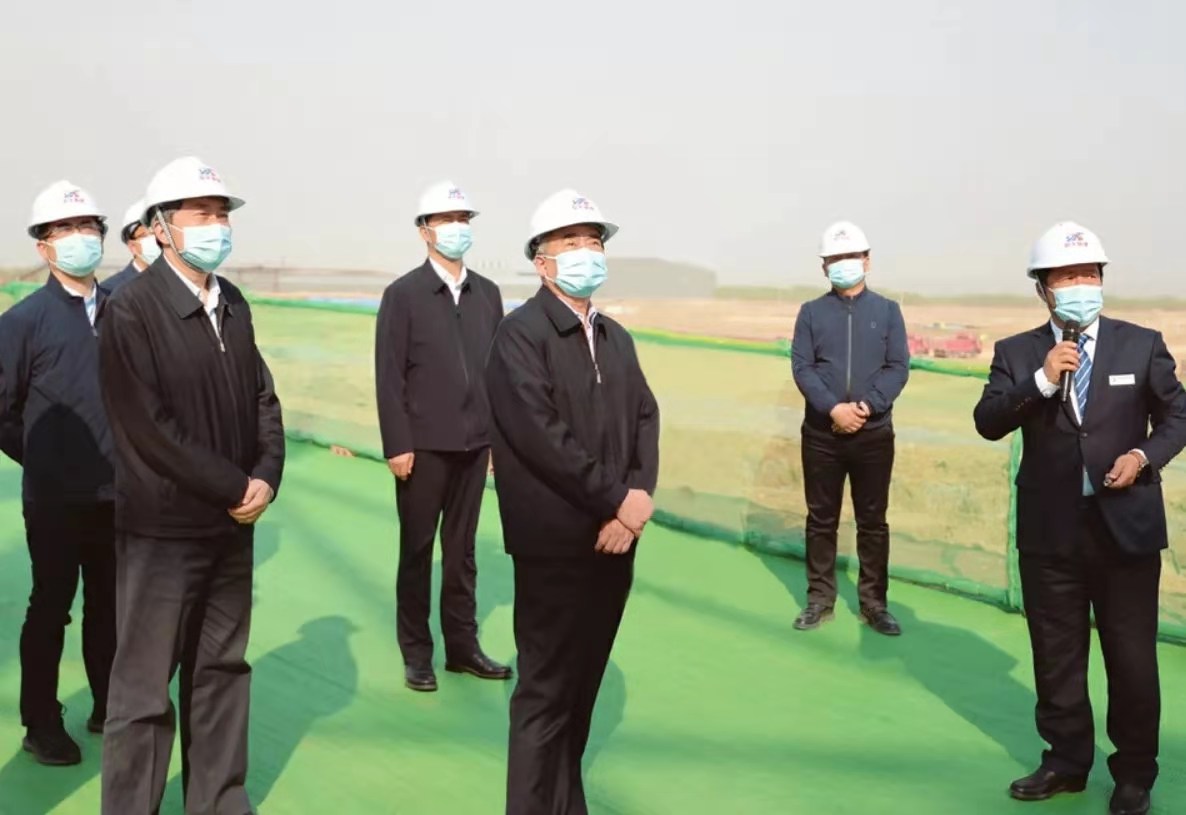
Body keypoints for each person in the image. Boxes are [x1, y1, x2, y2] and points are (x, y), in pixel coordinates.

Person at [973, 222, 1186, 815]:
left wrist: (1143, 456)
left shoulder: (1141, 344)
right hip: (1050, 532)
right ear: (1043, 289)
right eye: (1067, 277)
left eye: (1089, 275)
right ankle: (1066, 762)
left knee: (1132, 659)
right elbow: (988, 421)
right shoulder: (1017, 353)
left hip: (1126, 530)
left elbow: (1178, 416)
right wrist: (1042, 379)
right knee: (1056, 654)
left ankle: (1134, 773)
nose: (1080, 286)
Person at [97, 156, 285, 815]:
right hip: (163, 532)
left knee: (223, 671)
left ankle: (219, 800)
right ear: (161, 227)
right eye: (201, 213)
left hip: (231, 528)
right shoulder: (130, 311)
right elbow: (150, 427)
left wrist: (267, 475)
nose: (216, 225)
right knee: (145, 689)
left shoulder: (232, 302)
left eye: (222, 213)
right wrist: (236, 484)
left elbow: (263, 398)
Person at [486, 189, 660, 814]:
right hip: (554, 543)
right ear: (541, 262)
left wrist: (634, 501)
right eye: (572, 241)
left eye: (595, 241)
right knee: (546, 690)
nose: (587, 251)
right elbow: (542, 436)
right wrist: (615, 499)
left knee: (583, 686)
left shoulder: (615, 337)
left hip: (615, 540)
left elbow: (644, 419)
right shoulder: (520, 335)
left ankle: (566, 803)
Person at [374, 180, 511, 692]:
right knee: (417, 550)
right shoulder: (403, 294)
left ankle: (462, 648)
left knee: (462, 552)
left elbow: (498, 372)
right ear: (425, 230)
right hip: (423, 447)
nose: (457, 228)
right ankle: (417, 654)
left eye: (463, 219)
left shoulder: (488, 294)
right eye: (447, 219)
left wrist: (497, 439)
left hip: (476, 446)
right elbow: (389, 374)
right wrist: (397, 443)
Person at [0, 181, 117, 765]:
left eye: (88, 226)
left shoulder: (126, 313)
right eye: (65, 229)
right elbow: (2, 410)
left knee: (111, 605)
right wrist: (46, 457)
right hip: (54, 499)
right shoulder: (23, 322)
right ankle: (41, 723)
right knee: (51, 605)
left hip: (120, 495)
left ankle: (110, 707)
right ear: (43, 246)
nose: (79, 237)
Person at [790, 221, 909, 636]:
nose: (843, 264)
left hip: (873, 433)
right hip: (821, 435)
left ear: (867, 260)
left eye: (851, 256)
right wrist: (833, 409)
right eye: (835, 258)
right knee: (821, 519)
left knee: (872, 521)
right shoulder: (811, 313)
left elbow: (898, 367)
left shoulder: (888, 311)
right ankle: (819, 600)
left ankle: (874, 604)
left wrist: (865, 407)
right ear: (824, 266)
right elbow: (803, 367)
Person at [103, 199, 161, 292]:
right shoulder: (112, 290)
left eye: (157, 232)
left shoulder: (180, 281)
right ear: (132, 247)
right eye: (145, 235)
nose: (156, 239)